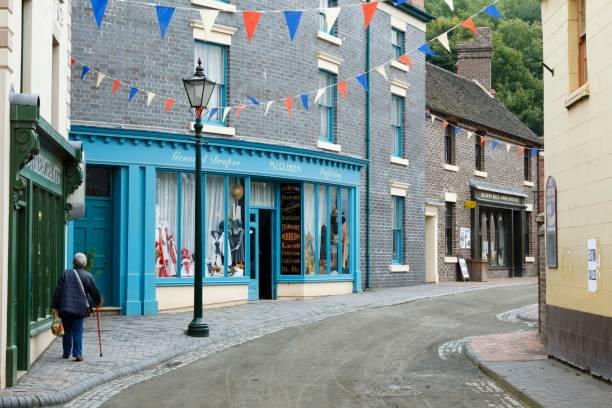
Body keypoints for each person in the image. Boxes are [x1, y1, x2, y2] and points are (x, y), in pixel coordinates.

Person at [52, 253, 102, 362]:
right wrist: (97, 302)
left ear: (74, 263)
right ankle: (77, 354)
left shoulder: (65, 274)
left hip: (65, 307)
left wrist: (54, 306)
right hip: (79, 308)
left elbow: (58, 292)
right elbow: (95, 292)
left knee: (67, 329)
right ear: (84, 264)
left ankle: (66, 353)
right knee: (77, 330)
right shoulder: (88, 276)